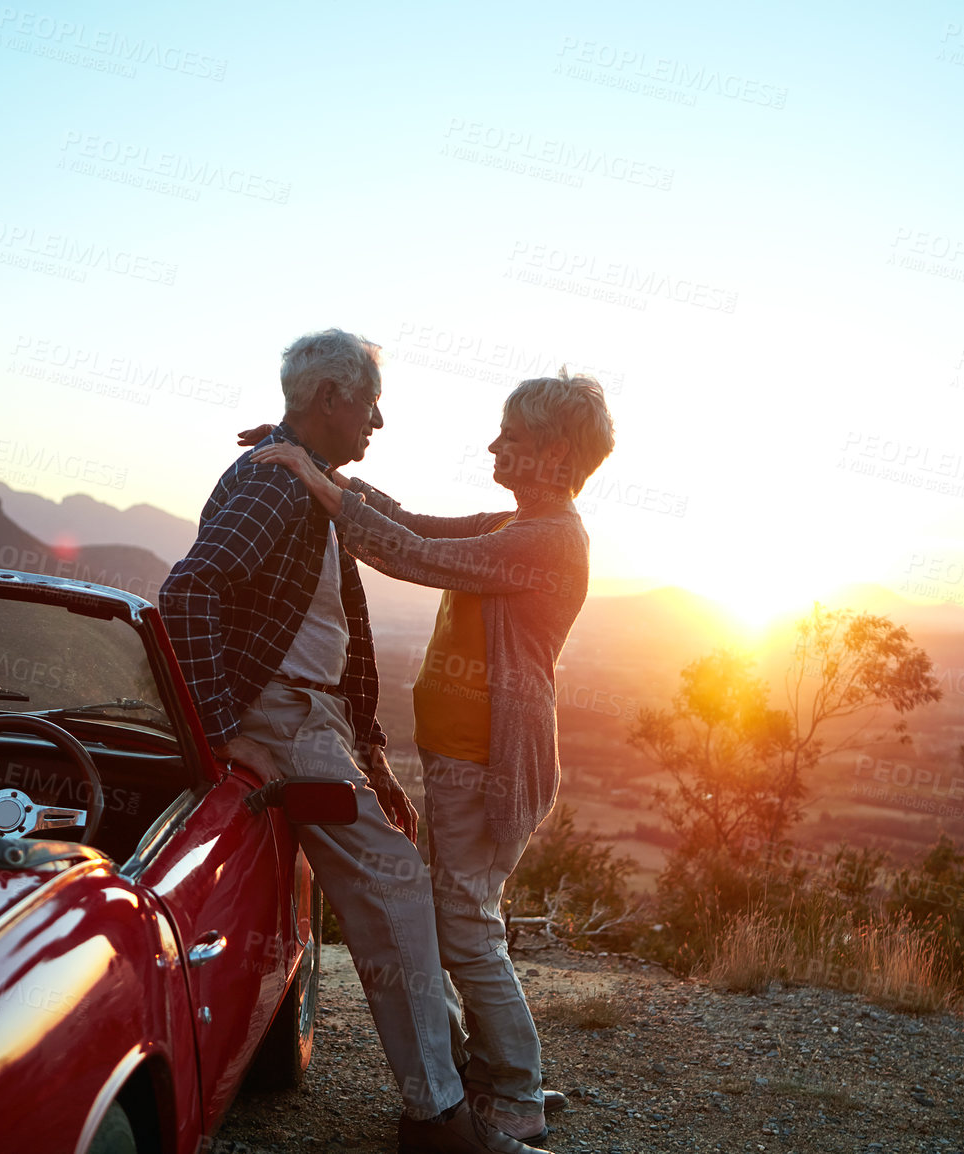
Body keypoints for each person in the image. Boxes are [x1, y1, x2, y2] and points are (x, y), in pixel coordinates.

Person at [160, 329, 548, 1154]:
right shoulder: (275, 488)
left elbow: (370, 587)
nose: (380, 417)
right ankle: (440, 1113)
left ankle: (450, 1091)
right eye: (370, 402)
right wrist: (224, 731)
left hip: (316, 722)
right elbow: (188, 590)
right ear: (332, 399)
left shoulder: (305, 479)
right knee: (398, 886)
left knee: (397, 879)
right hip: (284, 721)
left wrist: (370, 757)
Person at [249, 371, 615, 1145]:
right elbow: (410, 521)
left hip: (491, 768)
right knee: (462, 921)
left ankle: (514, 1092)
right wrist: (321, 465)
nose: (493, 446)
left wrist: (313, 478)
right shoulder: (517, 522)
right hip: (464, 762)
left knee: (467, 930)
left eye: (510, 438)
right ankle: (489, 1078)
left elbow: (406, 554)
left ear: (553, 454)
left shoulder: (547, 540)